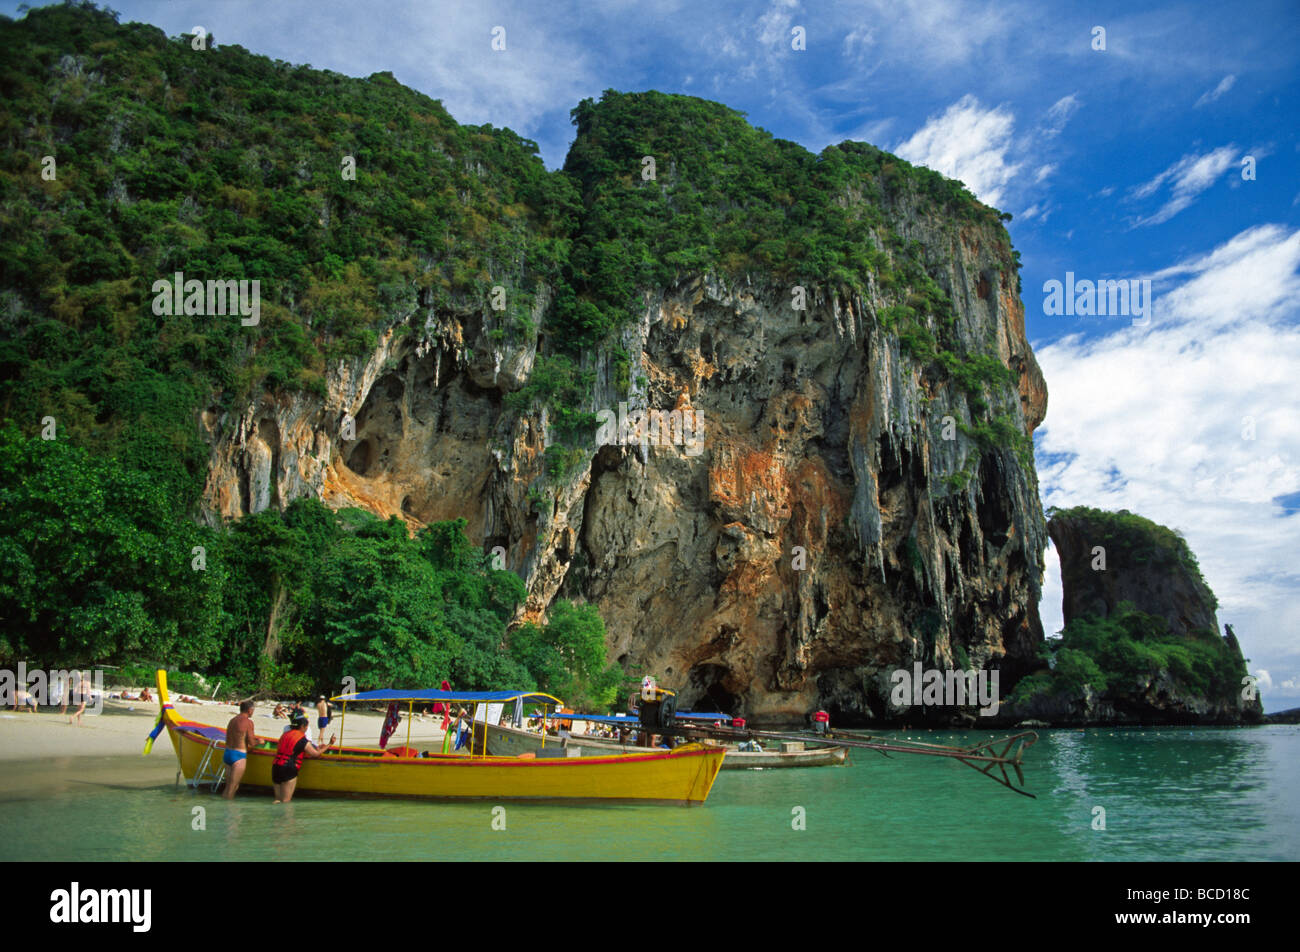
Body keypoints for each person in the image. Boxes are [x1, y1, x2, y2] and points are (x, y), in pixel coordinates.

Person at [272, 716, 333, 803]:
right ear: (302, 727)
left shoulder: (284, 735)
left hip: (276, 767)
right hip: (288, 768)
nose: (306, 728)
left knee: (277, 800)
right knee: (285, 801)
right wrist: (329, 744)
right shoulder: (302, 739)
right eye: (306, 727)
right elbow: (315, 754)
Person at [222, 701, 260, 799]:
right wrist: (260, 741)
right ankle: (230, 811)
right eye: (253, 710)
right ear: (249, 710)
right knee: (233, 787)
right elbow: (252, 743)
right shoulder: (248, 722)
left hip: (228, 753)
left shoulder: (232, 720)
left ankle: (223, 809)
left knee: (228, 787)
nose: (253, 712)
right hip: (239, 755)